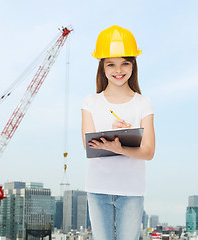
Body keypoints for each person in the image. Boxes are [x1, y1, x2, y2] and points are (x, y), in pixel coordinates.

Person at [81, 25, 155, 240]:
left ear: (133, 65)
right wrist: (115, 138)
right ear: (102, 67)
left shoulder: (143, 103)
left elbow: (148, 151)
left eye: (125, 63)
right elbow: (88, 145)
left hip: (132, 190)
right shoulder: (90, 102)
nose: (118, 70)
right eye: (110, 63)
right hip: (98, 188)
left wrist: (119, 146)